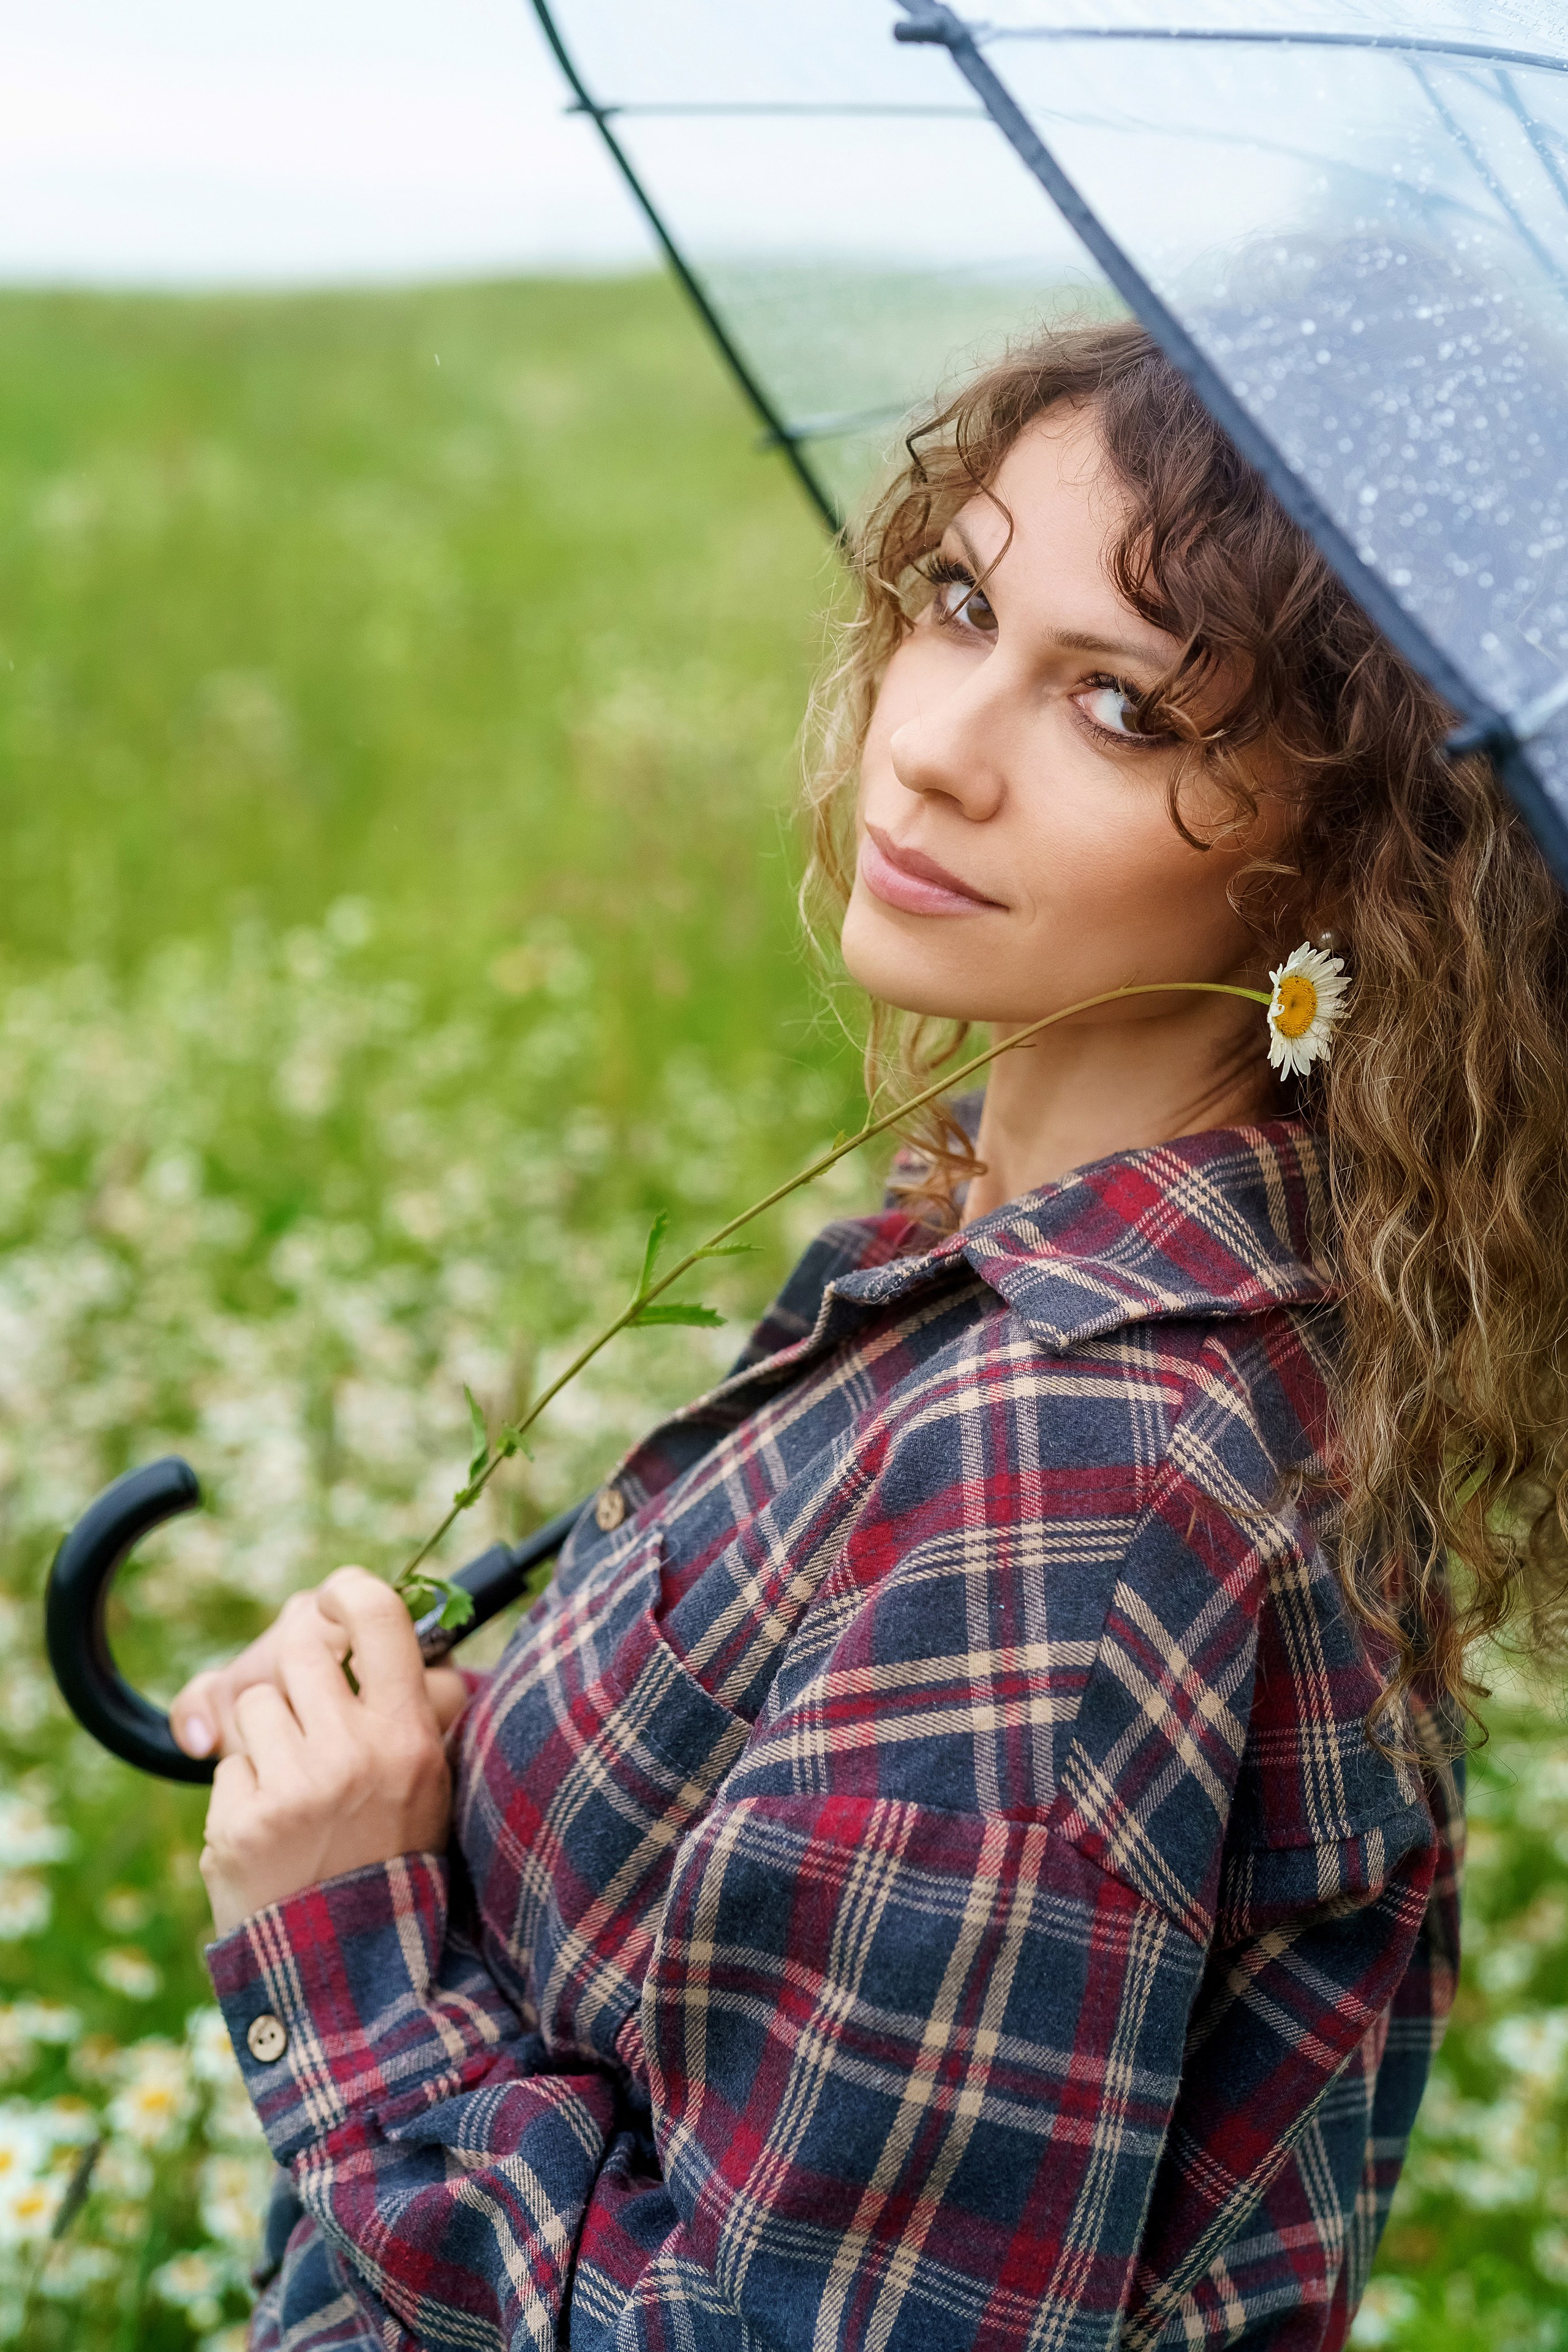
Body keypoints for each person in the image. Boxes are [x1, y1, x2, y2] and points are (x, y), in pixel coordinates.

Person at [168, 315, 1568, 2349]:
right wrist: (427, 1769)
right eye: (962, 599)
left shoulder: (1087, 1468)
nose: (933, 742)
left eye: (1122, 707)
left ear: (1351, 852)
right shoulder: (977, 1251)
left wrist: (346, 1941)